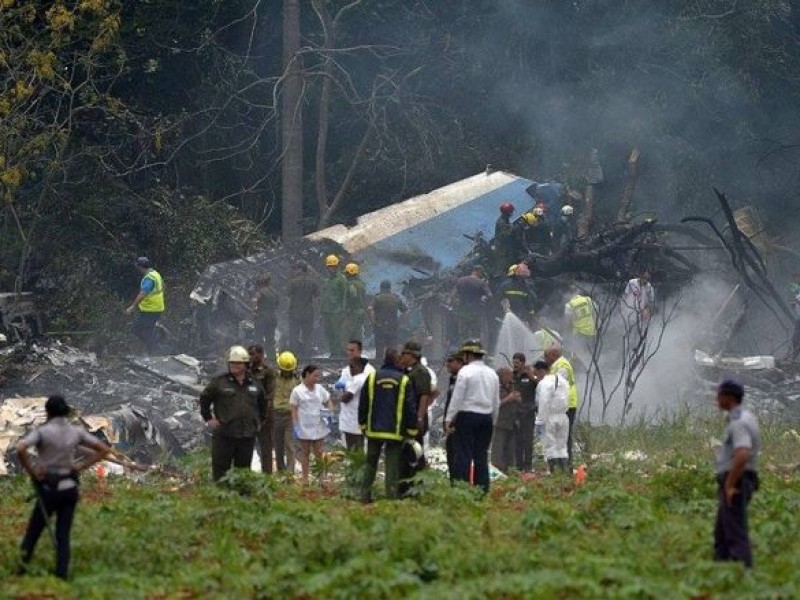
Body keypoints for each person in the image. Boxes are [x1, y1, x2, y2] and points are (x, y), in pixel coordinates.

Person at [16, 396, 110, 580]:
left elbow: (21, 449)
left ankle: (21, 568)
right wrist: (80, 467)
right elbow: (103, 449)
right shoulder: (75, 431)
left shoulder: (42, 432)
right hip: (69, 487)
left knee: (34, 530)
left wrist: (33, 471)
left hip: (49, 488)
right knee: (63, 534)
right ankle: (61, 573)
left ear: (48, 412)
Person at [199, 345, 268, 481]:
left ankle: (241, 500)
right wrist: (208, 418)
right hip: (224, 435)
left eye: (237, 363)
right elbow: (204, 398)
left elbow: (263, 404)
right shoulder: (220, 382)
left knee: (242, 473)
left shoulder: (255, 383)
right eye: (231, 363)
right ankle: (221, 500)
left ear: (245, 364)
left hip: (246, 436)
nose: (234, 366)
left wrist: (258, 422)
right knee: (220, 472)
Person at [358, 349, 418, 502]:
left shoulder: (372, 377)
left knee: (371, 463)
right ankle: (391, 497)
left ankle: (365, 495)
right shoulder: (404, 380)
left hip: (373, 430)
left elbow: (363, 403)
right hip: (395, 431)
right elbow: (410, 407)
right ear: (396, 361)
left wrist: (363, 424)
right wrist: (412, 429)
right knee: (392, 466)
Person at [713, 379, 760, 569]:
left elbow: (742, 454)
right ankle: (721, 569)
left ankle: (742, 570)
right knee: (722, 530)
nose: (716, 400)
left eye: (719, 395)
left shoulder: (738, 422)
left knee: (734, 529)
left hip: (738, 479)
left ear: (728, 397)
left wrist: (730, 484)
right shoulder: (745, 417)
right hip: (740, 478)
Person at [444, 340, 500, 493]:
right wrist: (493, 420)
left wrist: (449, 419)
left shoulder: (465, 372)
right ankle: (481, 490)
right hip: (486, 418)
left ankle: (463, 489)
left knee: (464, 454)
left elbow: (457, 398)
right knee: (481, 456)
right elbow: (496, 401)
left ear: (468, 355)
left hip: (467, 417)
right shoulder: (492, 373)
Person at [290, 364, 332, 485]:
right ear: (307, 375)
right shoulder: (297, 391)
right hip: (304, 426)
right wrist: (296, 425)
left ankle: (322, 478)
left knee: (319, 452)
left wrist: (330, 413)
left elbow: (328, 400)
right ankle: (305, 479)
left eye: (318, 376)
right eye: (315, 376)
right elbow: (293, 408)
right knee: (305, 453)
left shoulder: (319, 389)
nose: (316, 378)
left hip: (318, 425)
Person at [336, 340, 376, 452]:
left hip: (361, 416)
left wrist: (347, 385)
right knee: (348, 450)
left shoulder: (369, 371)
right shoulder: (346, 370)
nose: (349, 353)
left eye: (352, 350)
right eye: (348, 350)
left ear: (360, 351)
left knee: (360, 451)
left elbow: (348, 395)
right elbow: (339, 390)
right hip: (346, 417)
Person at [399, 341, 433, 471]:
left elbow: (424, 395)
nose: (402, 356)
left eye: (404, 353)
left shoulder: (420, 372)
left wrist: (419, 418)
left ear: (411, 355)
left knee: (416, 449)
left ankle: (417, 479)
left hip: (416, 416)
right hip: (408, 415)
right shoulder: (408, 370)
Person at [532, 360, 569, 473]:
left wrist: (539, 421)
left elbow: (544, 402)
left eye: (536, 372)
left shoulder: (544, 383)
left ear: (541, 370)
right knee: (561, 447)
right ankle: (563, 473)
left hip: (549, 418)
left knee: (550, 447)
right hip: (563, 417)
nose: (536, 376)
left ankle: (553, 473)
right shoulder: (562, 380)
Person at [544, 345, 578, 466]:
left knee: (564, 437)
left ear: (554, 354)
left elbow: (556, 385)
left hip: (567, 406)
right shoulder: (556, 366)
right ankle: (560, 466)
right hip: (561, 407)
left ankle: (566, 467)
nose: (545, 359)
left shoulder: (562, 365)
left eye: (546, 356)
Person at [125, 256, 165, 354]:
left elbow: (143, 293)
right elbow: (163, 286)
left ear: (140, 266)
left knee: (140, 330)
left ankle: (155, 350)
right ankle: (154, 348)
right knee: (144, 330)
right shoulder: (155, 274)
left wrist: (132, 307)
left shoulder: (149, 278)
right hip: (156, 308)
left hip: (150, 309)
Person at [249, 344, 276, 474]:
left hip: (264, 415)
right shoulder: (246, 371)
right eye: (249, 354)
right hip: (248, 414)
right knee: (246, 446)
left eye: (253, 354)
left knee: (265, 447)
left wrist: (264, 413)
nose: (250, 357)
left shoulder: (268, 371)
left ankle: (267, 475)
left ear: (260, 355)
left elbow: (270, 394)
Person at [272, 351, 301, 474]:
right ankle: (280, 470)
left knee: (289, 444)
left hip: (290, 415)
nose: (287, 372)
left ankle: (290, 472)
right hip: (276, 414)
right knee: (278, 445)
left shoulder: (297, 380)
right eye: (284, 370)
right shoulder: (274, 378)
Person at [367, 280, 407, 363]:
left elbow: (370, 309)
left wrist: (373, 321)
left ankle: (379, 367)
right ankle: (392, 367)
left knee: (379, 349)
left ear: (381, 288)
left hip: (380, 326)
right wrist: (400, 321)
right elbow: (405, 311)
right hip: (393, 326)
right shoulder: (395, 298)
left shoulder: (377, 298)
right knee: (392, 348)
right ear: (390, 288)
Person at [287, 261, 320, 357]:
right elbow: (317, 298)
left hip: (294, 314)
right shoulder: (313, 283)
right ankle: (306, 356)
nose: (294, 271)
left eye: (295, 269)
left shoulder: (292, 282)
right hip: (308, 314)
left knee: (293, 335)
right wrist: (317, 313)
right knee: (307, 335)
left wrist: (287, 310)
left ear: (301, 269)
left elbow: (287, 298)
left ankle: (294, 356)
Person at [512, 352, 538, 472]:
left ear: (523, 363)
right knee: (518, 440)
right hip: (516, 412)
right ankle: (518, 466)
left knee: (528, 440)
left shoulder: (530, 376)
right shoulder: (513, 376)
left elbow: (540, 386)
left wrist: (532, 376)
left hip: (529, 412)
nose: (515, 365)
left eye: (517, 363)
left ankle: (528, 466)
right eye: (514, 363)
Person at [442, 351, 465, 479]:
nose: (447, 364)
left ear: (460, 362)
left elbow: (460, 403)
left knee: (458, 455)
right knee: (450, 453)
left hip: (458, 425)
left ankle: (459, 483)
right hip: (450, 423)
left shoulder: (463, 378)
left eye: (451, 361)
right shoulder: (453, 378)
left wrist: (453, 421)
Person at [492, 367, 519, 473]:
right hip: (500, 422)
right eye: (508, 375)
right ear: (502, 376)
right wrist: (508, 398)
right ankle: (497, 470)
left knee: (511, 450)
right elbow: (494, 404)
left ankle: (510, 471)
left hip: (511, 422)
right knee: (498, 448)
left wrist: (517, 399)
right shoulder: (496, 388)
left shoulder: (512, 386)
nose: (510, 377)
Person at [454, 266, 492, 341]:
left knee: (463, 333)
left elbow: (453, 295)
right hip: (476, 312)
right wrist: (484, 299)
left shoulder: (460, 280)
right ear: (478, 271)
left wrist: (456, 303)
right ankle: (475, 349)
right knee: (476, 335)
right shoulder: (481, 282)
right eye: (481, 273)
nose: (481, 275)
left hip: (463, 312)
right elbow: (490, 296)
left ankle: (463, 349)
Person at [321, 254, 348, 358]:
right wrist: (321, 311)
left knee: (337, 333)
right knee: (329, 333)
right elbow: (324, 296)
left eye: (333, 266)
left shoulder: (341, 279)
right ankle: (333, 352)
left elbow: (345, 295)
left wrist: (344, 310)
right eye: (329, 266)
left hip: (337, 311)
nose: (331, 268)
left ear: (337, 266)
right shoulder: (327, 280)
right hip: (327, 311)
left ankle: (338, 353)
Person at [564, 288, 597, 359]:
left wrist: (567, 333)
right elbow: (595, 312)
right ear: (577, 292)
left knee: (581, 354)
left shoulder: (569, 305)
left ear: (568, 294)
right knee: (593, 353)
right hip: (592, 331)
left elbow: (568, 322)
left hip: (579, 333)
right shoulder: (588, 300)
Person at [252, 275, 280, 360]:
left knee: (258, 338)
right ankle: (272, 359)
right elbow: (277, 305)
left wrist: (254, 312)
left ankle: (258, 358)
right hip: (272, 317)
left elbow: (254, 303)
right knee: (270, 340)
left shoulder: (259, 292)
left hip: (262, 318)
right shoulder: (275, 292)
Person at [343, 263, 367, 342]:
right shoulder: (361, 284)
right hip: (361, 311)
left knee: (348, 333)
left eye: (347, 273)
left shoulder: (351, 284)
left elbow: (353, 296)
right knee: (358, 332)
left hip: (353, 312)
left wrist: (348, 308)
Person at [494, 202, 518, 274]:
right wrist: (512, 228)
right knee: (504, 266)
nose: (512, 213)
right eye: (511, 212)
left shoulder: (505, 220)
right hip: (503, 249)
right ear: (507, 213)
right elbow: (505, 236)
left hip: (505, 248)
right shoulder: (501, 223)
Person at [788, 272, 800, 360]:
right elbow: (793, 306)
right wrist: (793, 303)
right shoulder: (796, 292)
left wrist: (797, 301)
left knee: (796, 338)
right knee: (795, 339)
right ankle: (794, 357)